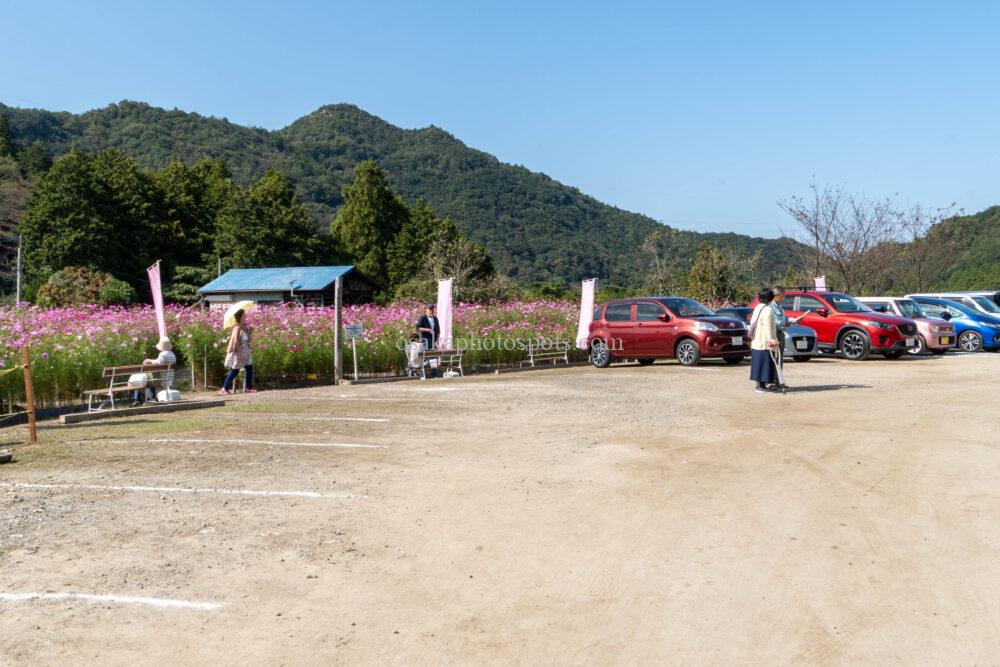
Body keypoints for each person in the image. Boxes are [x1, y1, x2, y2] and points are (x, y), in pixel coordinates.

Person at [749, 288, 780, 394]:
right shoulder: (768, 309)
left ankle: (759, 385)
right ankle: (761, 386)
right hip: (765, 341)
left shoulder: (757, 307)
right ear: (770, 299)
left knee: (758, 363)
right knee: (765, 363)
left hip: (756, 340)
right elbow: (768, 327)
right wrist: (772, 340)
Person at [219, 309, 256, 395]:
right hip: (238, 351)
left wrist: (250, 333)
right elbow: (235, 342)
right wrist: (239, 354)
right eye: (243, 315)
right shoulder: (237, 328)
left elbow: (247, 340)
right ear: (239, 317)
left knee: (249, 368)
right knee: (235, 370)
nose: (245, 316)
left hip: (245, 351)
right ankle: (224, 388)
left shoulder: (243, 327)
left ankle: (248, 388)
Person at [131, 336, 177, 406]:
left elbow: (159, 362)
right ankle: (149, 398)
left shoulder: (163, 354)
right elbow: (160, 362)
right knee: (143, 379)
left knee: (140, 380)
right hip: (168, 378)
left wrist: (148, 360)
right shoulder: (172, 354)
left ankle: (139, 399)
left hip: (161, 379)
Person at [770, 284, 789, 389]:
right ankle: (773, 381)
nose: (782, 298)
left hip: (781, 333)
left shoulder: (780, 306)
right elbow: (773, 322)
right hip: (775, 333)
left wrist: (793, 321)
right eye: (781, 296)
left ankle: (779, 381)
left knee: (780, 358)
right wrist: (784, 324)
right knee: (774, 358)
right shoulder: (770, 306)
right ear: (776, 295)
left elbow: (785, 318)